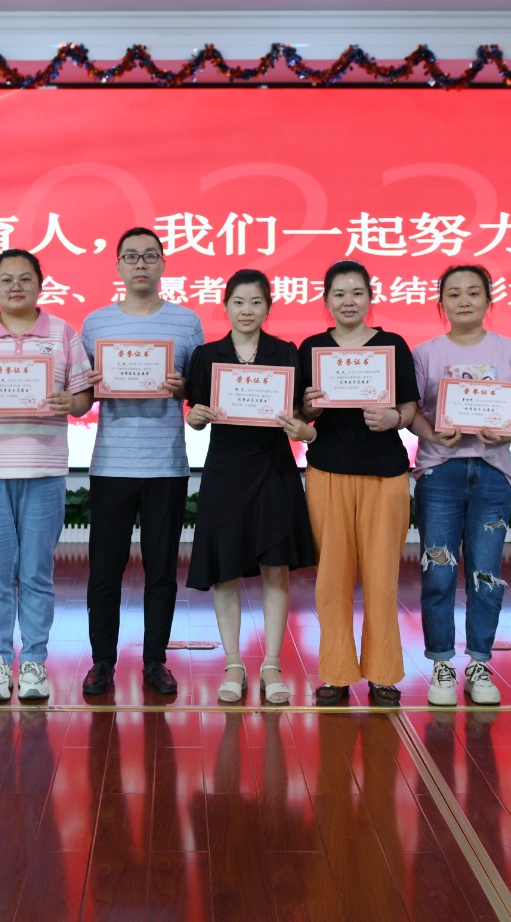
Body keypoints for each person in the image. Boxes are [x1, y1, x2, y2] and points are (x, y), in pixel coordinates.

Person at [0, 249, 93, 703]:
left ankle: (33, 661)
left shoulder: (63, 334)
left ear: (40, 285)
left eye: (25, 279)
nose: (15, 286)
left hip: (43, 468)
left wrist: (72, 403)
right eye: (6, 279)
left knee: (36, 572)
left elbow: (83, 399)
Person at [78, 227, 205, 697]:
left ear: (163, 264)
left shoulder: (187, 322)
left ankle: (155, 660)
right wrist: (90, 385)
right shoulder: (95, 324)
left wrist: (183, 387)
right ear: (117, 266)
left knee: (161, 570)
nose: (141, 265)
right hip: (111, 464)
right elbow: (82, 394)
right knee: (104, 570)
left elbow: (201, 389)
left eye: (150, 256)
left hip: (166, 464)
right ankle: (102, 662)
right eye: (131, 257)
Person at [409, 265, 511, 706]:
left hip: (492, 474)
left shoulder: (510, 349)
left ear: (489, 300)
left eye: (473, 292)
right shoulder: (426, 353)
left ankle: (480, 663)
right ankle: (442, 664)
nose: (464, 300)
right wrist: (433, 433)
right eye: (453, 294)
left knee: (486, 575)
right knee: (438, 573)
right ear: (441, 303)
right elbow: (411, 412)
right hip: (439, 474)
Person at [183, 270, 317, 705]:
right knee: (225, 571)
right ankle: (234, 664)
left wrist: (304, 424)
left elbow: (300, 413)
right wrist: (195, 418)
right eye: (239, 302)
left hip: (273, 469)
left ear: (268, 307)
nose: (247, 310)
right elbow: (195, 413)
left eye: (256, 302)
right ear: (225, 305)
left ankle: (272, 664)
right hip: (224, 471)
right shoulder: (207, 355)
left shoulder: (285, 352)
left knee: (275, 568)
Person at [298, 259, 419, 707]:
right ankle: (336, 672)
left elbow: (410, 407)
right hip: (327, 472)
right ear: (326, 300)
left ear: (370, 297)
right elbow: (301, 412)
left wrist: (395, 418)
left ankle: (383, 673)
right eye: (339, 294)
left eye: (357, 293)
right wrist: (309, 408)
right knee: (331, 580)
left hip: (385, 474)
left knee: (382, 579)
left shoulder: (392, 345)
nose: (348, 301)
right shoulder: (312, 348)